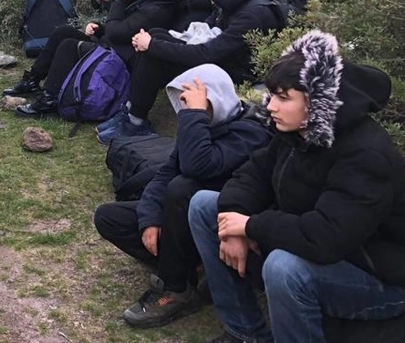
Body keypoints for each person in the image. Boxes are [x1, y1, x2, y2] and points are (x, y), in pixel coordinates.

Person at [186, 30, 405, 343]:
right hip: (324, 248)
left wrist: (251, 227)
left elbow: (326, 239)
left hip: (382, 279)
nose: (271, 106)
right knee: (205, 205)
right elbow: (251, 176)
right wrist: (232, 222)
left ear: (317, 102)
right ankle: (249, 336)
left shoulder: (366, 155)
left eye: (284, 98)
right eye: (273, 95)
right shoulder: (294, 133)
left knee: (284, 266)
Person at [93, 64, 272, 328]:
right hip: (182, 221)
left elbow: (197, 166)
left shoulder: (250, 131)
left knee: (183, 188)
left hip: (220, 226)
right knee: (109, 217)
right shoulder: (200, 124)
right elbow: (165, 173)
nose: (184, 108)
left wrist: (195, 116)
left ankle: (175, 287)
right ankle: (194, 268)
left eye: (191, 101)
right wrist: (149, 219)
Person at [100, 0, 287, 143]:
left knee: (154, 51)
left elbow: (209, 53)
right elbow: (208, 29)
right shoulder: (234, 2)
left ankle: (136, 121)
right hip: (224, 59)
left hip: (237, 73)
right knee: (155, 35)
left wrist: (152, 46)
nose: (212, 1)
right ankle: (132, 109)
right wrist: (154, 41)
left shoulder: (253, 15)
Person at [13, 0, 181, 116]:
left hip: (120, 60)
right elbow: (123, 31)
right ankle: (32, 81)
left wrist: (119, 1)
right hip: (112, 48)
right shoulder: (147, 2)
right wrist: (100, 29)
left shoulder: (156, 10)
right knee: (62, 32)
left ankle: (48, 98)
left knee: (69, 46)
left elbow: (118, 33)